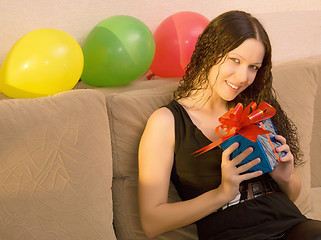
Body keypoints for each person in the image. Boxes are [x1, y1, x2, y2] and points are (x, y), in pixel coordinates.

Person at [138, 10, 321, 240]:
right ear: (210, 53)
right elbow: (151, 222)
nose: (243, 76)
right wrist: (222, 193)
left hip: (294, 225)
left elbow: (290, 197)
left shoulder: (255, 109)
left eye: (253, 67)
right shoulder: (166, 122)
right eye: (235, 60)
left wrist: (285, 177)